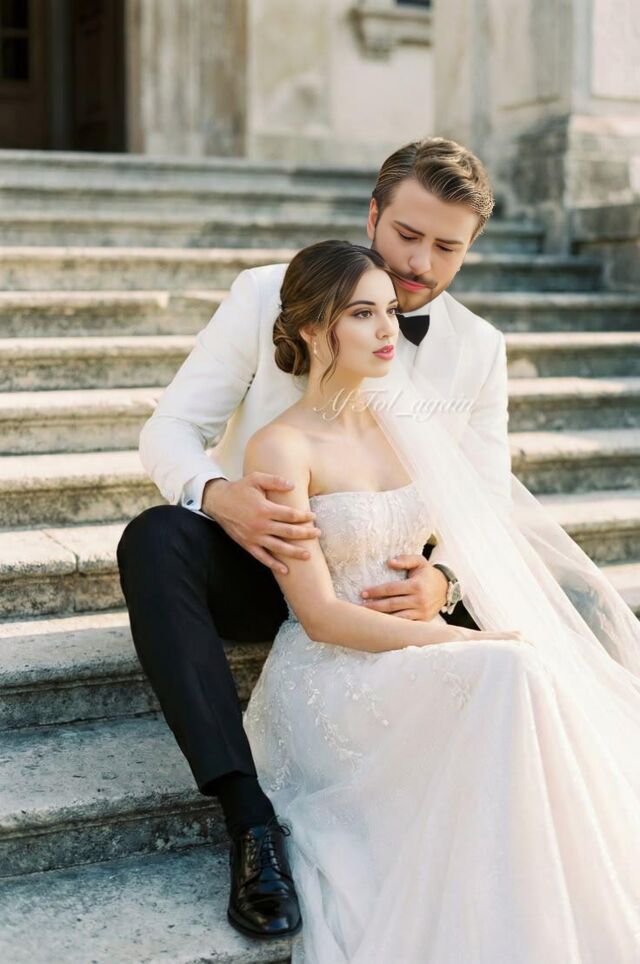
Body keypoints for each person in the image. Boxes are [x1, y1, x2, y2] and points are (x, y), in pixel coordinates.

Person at [116, 137, 510, 939]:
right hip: (270, 558)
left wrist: (444, 582)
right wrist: (220, 497)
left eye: (446, 247)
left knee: (553, 619)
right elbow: (170, 430)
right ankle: (249, 820)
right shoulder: (267, 294)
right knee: (154, 540)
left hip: (390, 581)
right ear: (372, 215)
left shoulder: (478, 350)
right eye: (407, 234)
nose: (419, 262)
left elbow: (489, 501)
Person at [241, 240, 640, 963]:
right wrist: (461, 639)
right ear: (313, 330)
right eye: (362, 314)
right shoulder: (280, 447)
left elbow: (477, 525)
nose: (386, 330)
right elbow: (320, 616)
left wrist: (443, 585)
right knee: (511, 668)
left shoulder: (408, 421)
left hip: (417, 653)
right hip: (335, 672)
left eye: (389, 312)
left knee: (526, 672)